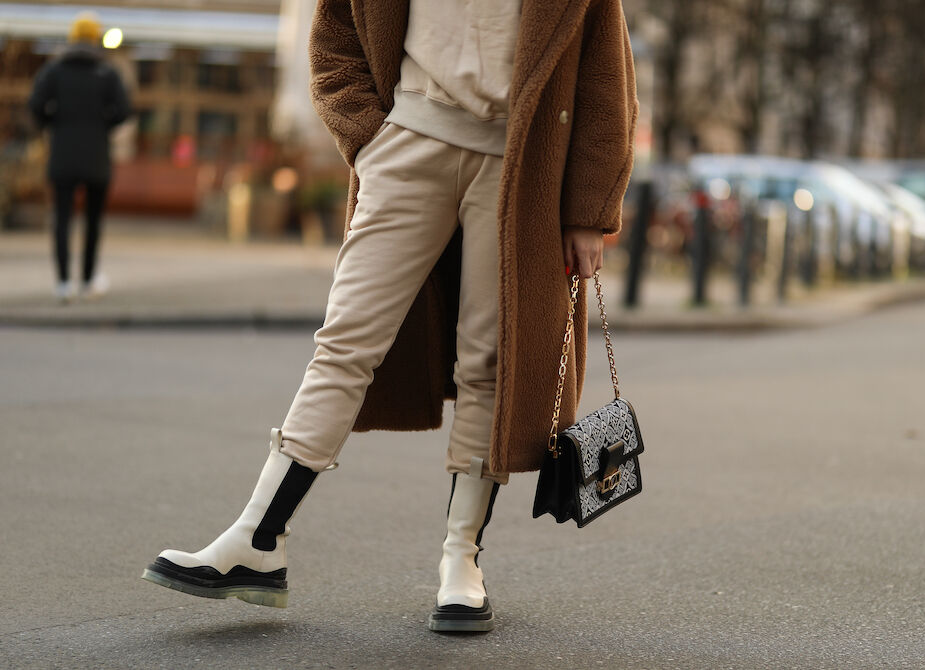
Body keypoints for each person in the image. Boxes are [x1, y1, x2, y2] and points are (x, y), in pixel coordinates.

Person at [142, 0, 637, 633]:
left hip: (520, 171)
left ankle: (462, 562)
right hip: (406, 147)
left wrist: (589, 211)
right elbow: (334, 39)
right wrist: (368, 139)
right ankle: (257, 540)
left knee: (489, 362)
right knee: (345, 341)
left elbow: (605, 82)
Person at [28, 12, 130, 303]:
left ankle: (63, 282)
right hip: (97, 157)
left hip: (62, 155)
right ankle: (87, 280)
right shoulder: (106, 72)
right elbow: (123, 110)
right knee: (93, 222)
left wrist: (54, 124)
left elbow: (35, 105)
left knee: (61, 219)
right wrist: (101, 125)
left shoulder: (55, 70)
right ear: (96, 38)